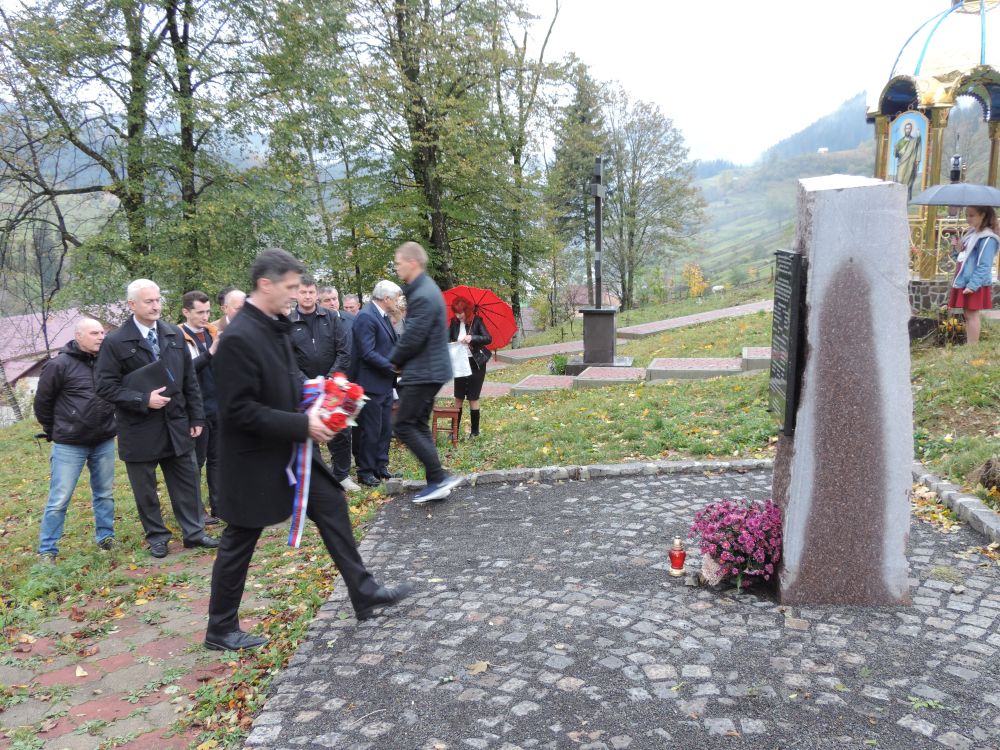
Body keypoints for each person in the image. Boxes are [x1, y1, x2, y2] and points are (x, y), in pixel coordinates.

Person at [204, 248, 412, 651]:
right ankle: (220, 627)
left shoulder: (274, 325)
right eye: (290, 287)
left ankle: (363, 591)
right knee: (240, 539)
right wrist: (304, 424)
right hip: (253, 459)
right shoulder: (238, 338)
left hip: (292, 451)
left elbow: (289, 380)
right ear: (265, 284)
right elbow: (239, 410)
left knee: (332, 505)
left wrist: (324, 397)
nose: (296, 294)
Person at [95, 279, 218, 558]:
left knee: (186, 480)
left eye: (158, 299)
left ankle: (194, 532)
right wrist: (142, 399)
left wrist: (196, 417)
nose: (155, 306)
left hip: (176, 422)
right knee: (146, 489)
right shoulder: (115, 341)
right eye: (149, 301)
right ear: (132, 304)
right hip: (139, 426)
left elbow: (189, 380)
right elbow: (104, 386)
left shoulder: (173, 333)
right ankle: (157, 537)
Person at [34, 318, 118, 562]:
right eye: (94, 333)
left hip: (103, 439)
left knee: (104, 494)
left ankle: (106, 538)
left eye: (102, 332)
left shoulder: (106, 362)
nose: (100, 337)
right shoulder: (58, 365)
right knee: (59, 499)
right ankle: (47, 550)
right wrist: (55, 430)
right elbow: (42, 403)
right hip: (69, 443)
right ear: (78, 336)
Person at [390, 242, 463, 503]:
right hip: (429, 369)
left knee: (403, 425)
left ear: (413, 262)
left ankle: (439, 477)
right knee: (417, 424)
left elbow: (413, 337)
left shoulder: (422, 293)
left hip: (424, 371)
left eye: (399, 263)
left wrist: (393, 361)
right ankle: (436, 481)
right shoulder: (425, 289)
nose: (397, 268)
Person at [289, 276, 359, 492]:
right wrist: (308, 383)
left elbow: (344, 351)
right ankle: (318, 478)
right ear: (296, 294)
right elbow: (287, 359)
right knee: (309, 432)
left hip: (333, 385)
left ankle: (342, 475)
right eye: (303, 292)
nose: (307, 296)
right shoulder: (288, 322)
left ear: (316, 294)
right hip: (305, 388)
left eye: (311, 292)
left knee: (341, 430)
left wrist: (329, 380)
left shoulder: (330, 317)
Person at [350, 280, 402, 487]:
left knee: (385, 429)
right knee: (371, 430)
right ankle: (365, 471)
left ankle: (381, 466)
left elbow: (389, 345)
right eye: (396, 298)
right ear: (386, 298)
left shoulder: (383, 316)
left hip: (384, 383)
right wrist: (393, 367)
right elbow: (367, 352)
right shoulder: (366, 316)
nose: (398, 302)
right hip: (370, 383)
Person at [180, 291, 221, 524]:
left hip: (218, 406)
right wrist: (211, 353)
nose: (205, 317)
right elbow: (185, 371)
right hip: (196, 410)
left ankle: (219, 505)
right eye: (200, 312)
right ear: (186, 312)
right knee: (196, 462)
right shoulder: (178, 337)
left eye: (207, 312)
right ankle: (196, 511)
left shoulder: (213, 333)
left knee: (218, 459)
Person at [949, 205, 998, 345]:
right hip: (965, 280)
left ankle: (972, 348)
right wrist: (957, 248)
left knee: (972, 314)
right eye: (966, 215)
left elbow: (985, 265)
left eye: (971, 215)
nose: (968, 218)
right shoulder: (971, 234)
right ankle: (970, 345)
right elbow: (963, 258)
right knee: (967, 314)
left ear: (983, 215)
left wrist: (973, 285)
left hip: (974, 282)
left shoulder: (987, 238)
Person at [448, 297, 492, 437]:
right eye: (456, 312)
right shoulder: (454, 323)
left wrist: (472, 338)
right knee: (458, 397)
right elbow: (447, 339)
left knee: (473, 397)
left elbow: (488, 338)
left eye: (460, 312)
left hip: (476, 363)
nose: (458, 315)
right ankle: (454, 431)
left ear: (466, 311)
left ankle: (474, 432)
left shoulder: (477, 321)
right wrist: (453, 342)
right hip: (460, 363)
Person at [894, 121, 922, 201]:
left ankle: (906, 200)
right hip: (901, 164)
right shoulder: (900, 142)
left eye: (909, 128)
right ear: (904, 129)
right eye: (906, 128)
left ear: (911, 130)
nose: (907, 130)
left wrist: (919, 134)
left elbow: (919, 143)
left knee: (908, 182)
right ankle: (897, 199)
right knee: (899, 180)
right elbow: (896, 155)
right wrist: (895, 149)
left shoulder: (914, 140)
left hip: (910, 164)